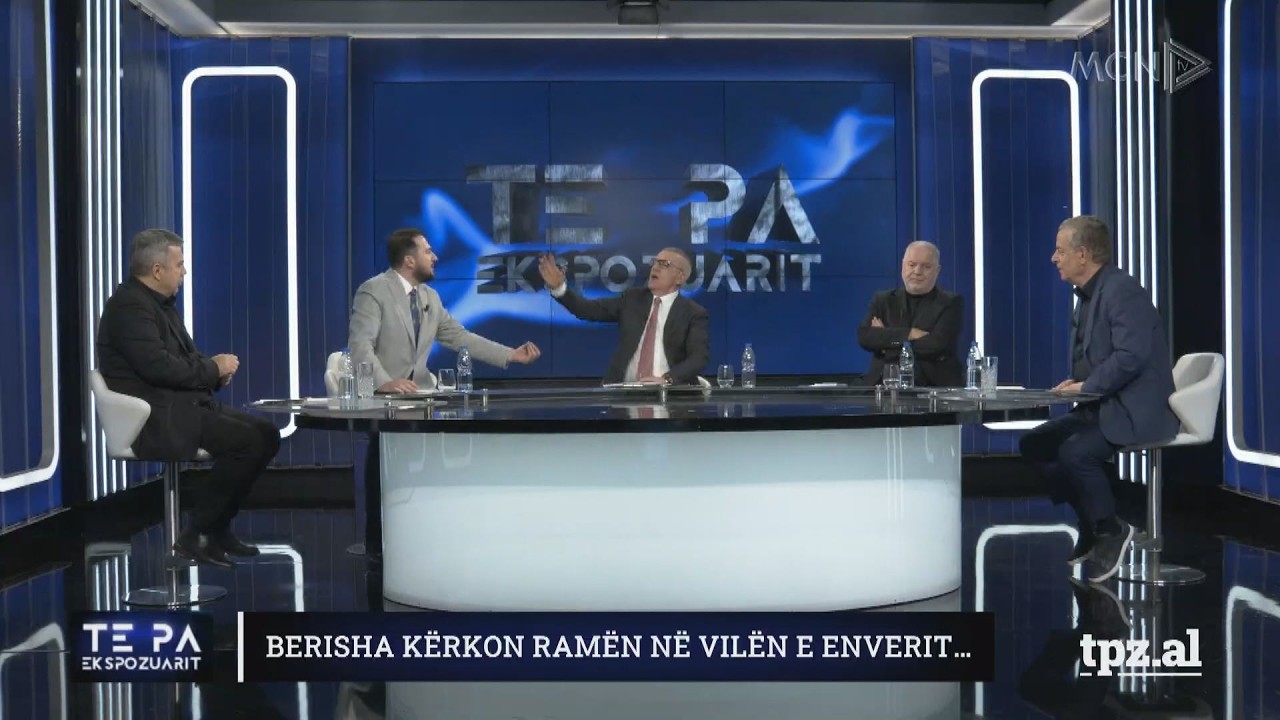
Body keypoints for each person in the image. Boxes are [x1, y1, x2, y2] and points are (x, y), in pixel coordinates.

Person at [347, 228, 541, 558]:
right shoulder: (374, 291)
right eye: (428, 251)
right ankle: (376, 544)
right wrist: (383, 382)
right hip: (383, 398)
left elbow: (460, 337)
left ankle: (419, 536)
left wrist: (510, 355)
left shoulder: (430, 298)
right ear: (409, 260)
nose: (435, 257)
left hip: (420, 397)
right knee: (383, 462)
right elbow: (360, 345)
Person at [97, 229, 281, 568]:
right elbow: (158, 367)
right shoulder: (129, 307)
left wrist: (214, 371)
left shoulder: (160, 305)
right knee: (247, 442)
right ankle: (197, 533)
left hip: (180, 405)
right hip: (154, 417)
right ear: (157, 270)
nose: (184, 272)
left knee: (267, 434)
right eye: (179, 264)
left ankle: (217, 528)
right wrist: (212, 369)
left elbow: (185, 358)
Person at [1019, 215, 1178, 583]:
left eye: (1060, 251)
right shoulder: (1090, 295)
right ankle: (1092, 524)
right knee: (1035, 444)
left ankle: (1111, 529)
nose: (1053, 258)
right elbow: (1099, 356)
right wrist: (1078, 384)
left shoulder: (1122, 290)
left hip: (1136, 408)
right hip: (1101, 404)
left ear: (1083, 254)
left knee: (1076, 453)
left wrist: (1087, 385)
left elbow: (1131, 356)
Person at [536, 248, 710, 385]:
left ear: (680, 277)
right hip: (625, 392)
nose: (655, 267)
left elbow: (698, 358)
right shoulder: (633, 299)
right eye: (654, 262)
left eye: (664, 264)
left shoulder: (693, 313)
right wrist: (559, 288)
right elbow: (587, 309)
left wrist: (667, 379)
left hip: (669, 394)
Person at [856, 240, 965, 387]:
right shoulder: (883, 299)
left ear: (937, 270)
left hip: (931, 387)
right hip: (883, 384)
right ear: (903, 266)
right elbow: (865, 337)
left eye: (926, 266)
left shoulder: (951, 302)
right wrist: (909, 334)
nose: (917, 272)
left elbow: (937, 345)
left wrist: (886, 342)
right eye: (912, 265)